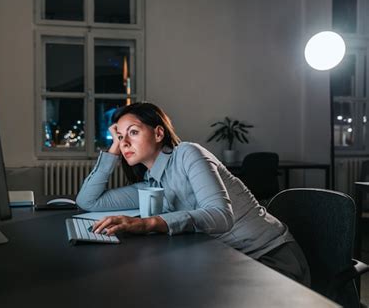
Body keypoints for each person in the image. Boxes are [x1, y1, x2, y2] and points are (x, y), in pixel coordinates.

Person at [76, 102, 310, 286]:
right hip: (232, 261)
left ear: (158, 134)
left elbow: (220, 216)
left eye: (133, 132)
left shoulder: (188, 153)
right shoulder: (151, 184)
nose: (125, 142)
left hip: (272, 259)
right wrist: (114, 149)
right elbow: (88, 201)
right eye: (119, 137)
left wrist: (149, 223)